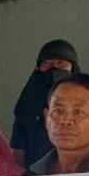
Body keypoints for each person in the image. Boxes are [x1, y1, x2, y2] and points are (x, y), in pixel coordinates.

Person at [10, 39, 80, 168]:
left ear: (72, 67)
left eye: (61, 63)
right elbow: (18, 152)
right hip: (35, 174)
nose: (54, 68)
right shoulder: (27, 106)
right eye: (47, 64)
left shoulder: (87, 102)